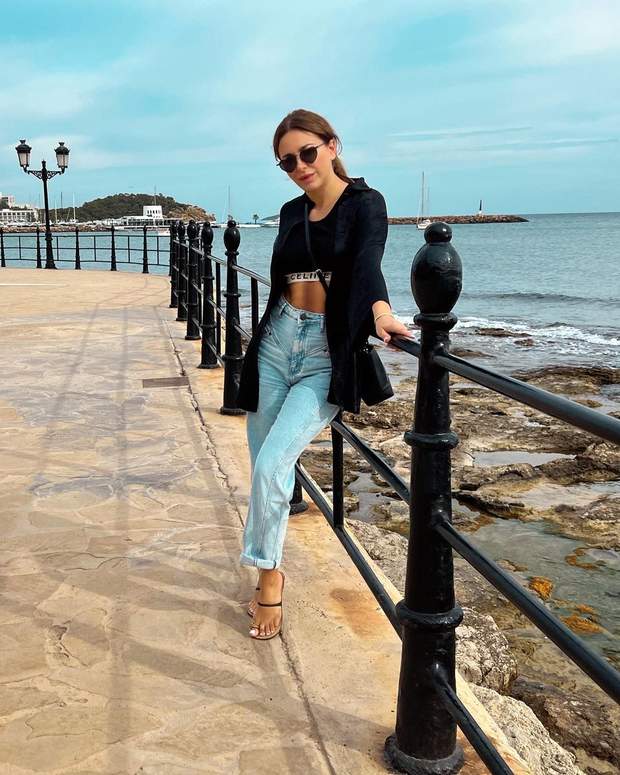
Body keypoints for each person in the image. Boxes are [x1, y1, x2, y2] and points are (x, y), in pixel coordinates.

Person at [237, 108, 409, 641]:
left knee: (273, 464)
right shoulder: (291, 212)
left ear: (332, 145)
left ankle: (270, 582)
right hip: (275, 342)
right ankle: (269, 568)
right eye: (287, 161)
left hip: (323, 354)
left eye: (307, 153)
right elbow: (282, 278)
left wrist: (381, 313)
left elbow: (368, 263)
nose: (300, 167)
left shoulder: (365, 203)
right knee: (264, 466)